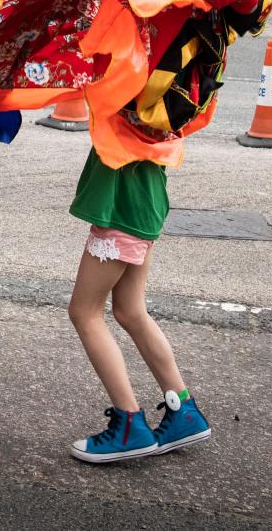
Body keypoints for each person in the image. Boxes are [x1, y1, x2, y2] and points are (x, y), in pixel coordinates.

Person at [66, 151, 211, 463]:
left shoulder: (131, 115)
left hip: (122, 205)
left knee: (85, 313)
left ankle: (129, 425)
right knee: (131, 311)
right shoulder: (164, 117)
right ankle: (184, 413)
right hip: (144, 202)